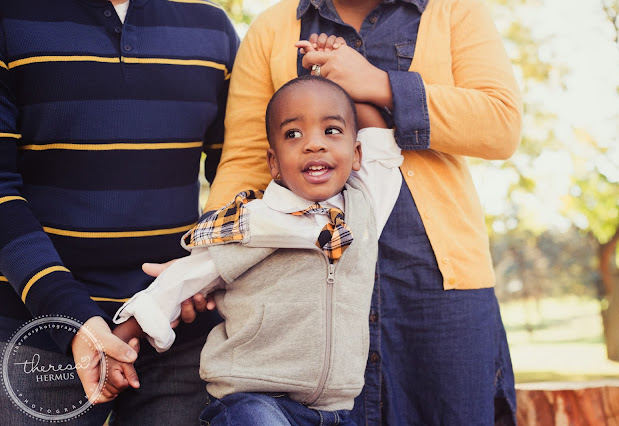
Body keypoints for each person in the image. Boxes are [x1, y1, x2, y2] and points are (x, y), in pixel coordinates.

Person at [204, 0, 523, 424]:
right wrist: (205, 259)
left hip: (437, 291)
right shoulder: (273, 28)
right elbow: (245, 158)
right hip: (304, 295)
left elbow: (501, 125)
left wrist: (380, 84)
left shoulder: (454, 11)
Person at [106, 75, 403, 425]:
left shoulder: (365, 210)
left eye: (331, 131)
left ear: (355, 155)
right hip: (254, 399)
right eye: (294, 134)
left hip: (334, 411)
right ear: (274, 163)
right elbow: (183, 279)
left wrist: (343, 76)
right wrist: (122, 343)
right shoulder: (252, 221)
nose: (314, 144)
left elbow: (383, 151)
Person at [0, 0, 239, 424]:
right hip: (36, 333)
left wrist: (198, 273)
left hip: (178, 334)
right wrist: (73, 318)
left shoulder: (214, 30)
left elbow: (240, 171)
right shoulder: (10, 17)